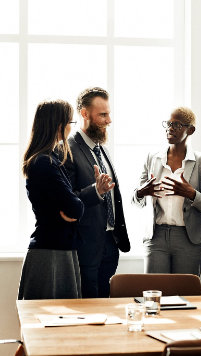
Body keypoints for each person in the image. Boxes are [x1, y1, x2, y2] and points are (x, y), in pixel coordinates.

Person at [132, 107, 201, 276]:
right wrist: (141, 193)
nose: (170, 128)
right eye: (168, 124)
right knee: (154, 295)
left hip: (188, 237)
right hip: (156, 237)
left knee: (185, 295)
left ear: (190, 130)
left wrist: (190, 193)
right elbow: (136, 200)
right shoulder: (152, 157)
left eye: (176, 125)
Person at [64, 87, 130, 298]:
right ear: (84, 114)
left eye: (108, 114)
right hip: (86, 245)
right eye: (103, 114)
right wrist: (95, 191)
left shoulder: (102, 149)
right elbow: (67, 201)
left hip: (111, 242)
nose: (108, 120)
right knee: (88, 307)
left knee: (105, 305)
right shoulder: (67, 149)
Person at [18, 100, 86, 300]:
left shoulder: (49, 159)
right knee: (46, 321)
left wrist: (72, 205)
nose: (71, 128)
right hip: (51, 253)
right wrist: (73, 204)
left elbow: (72, 206)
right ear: (59, 126)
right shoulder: (44, 163)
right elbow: (76, 207)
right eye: (70, 122)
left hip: (58, 248)